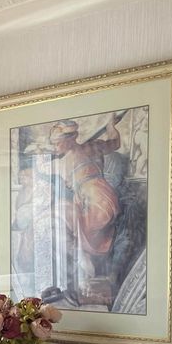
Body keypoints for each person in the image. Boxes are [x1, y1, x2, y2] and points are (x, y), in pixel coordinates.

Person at [48, 115, 123, 288]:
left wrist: (111, 126)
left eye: (57, 142)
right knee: (63, 218)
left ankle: (89, 265)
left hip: (99, 196)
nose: (55, 146)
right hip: (82, 199)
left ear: (70, 139)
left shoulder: (90, 147)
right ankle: (84, 266)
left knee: (82, 229)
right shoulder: (63, 161)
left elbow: (114, 143)